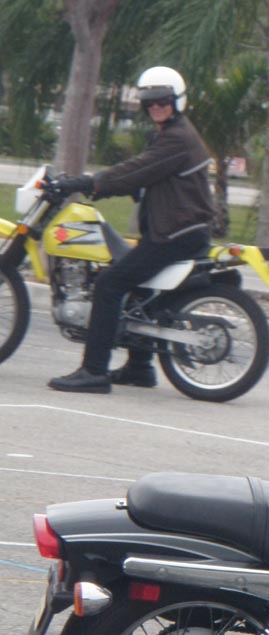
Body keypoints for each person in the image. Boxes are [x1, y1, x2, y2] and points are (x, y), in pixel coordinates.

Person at [48, 66, 215, 394]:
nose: (156, 107)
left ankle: (94, 371)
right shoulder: (170, 133)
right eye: (150, 102)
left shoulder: (177, 138)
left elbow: (133, 171)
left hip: (176, 235)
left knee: (109, 284)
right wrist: (126, 187)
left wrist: (87, 183)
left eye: (162, 101)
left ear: (177, 100)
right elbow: (146, 174)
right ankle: (140, 368)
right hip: (176, 231)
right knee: (139, 286)